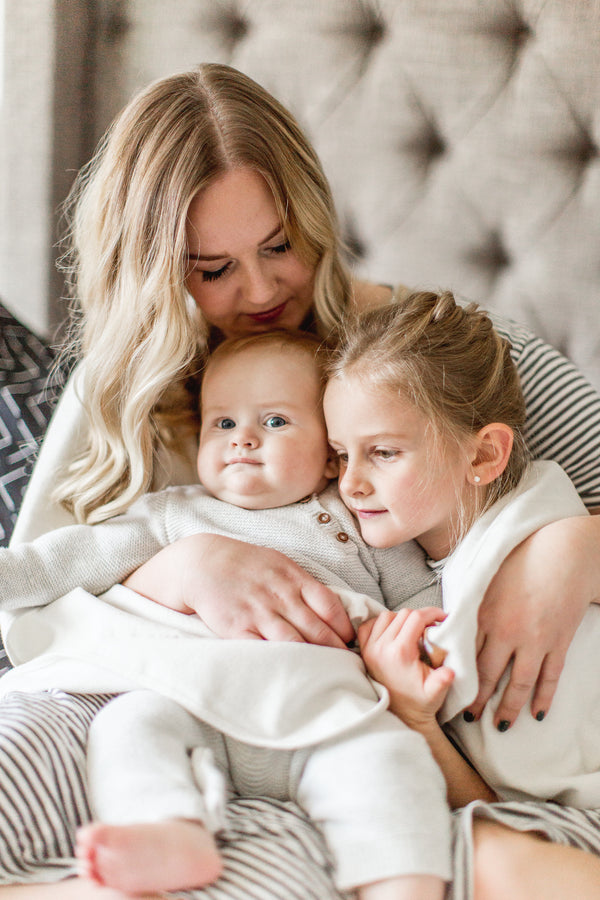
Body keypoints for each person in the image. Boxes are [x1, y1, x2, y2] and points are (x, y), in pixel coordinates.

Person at [2, 61, 600, 899]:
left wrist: (569, 543)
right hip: (163, 706)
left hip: (349, 729)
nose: (259, 290)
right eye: (212, 269)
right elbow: (35, 587)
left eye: (279, 245)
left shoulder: (426, 352)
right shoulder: (123, 394)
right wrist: (177, 565)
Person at [0, 329, 450, 900]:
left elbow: (424, 607)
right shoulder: (169, 515)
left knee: (388, 757)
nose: (243, 441)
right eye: (224, 423)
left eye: (276, 422)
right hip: (191, 703)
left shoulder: (362, 520)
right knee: (128, 726)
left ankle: (402, 881)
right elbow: (57, 563)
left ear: (333, 453)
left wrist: (425, 651)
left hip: (319, 712)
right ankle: (170, 831)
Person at [323, 290, 600, 900]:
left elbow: (492, 804)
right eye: (339, 454)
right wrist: (414, 719)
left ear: (484, 453)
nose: (349, 482)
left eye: (383, 453)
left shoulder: (541, 536)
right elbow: (492, 809)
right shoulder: (418, 582)